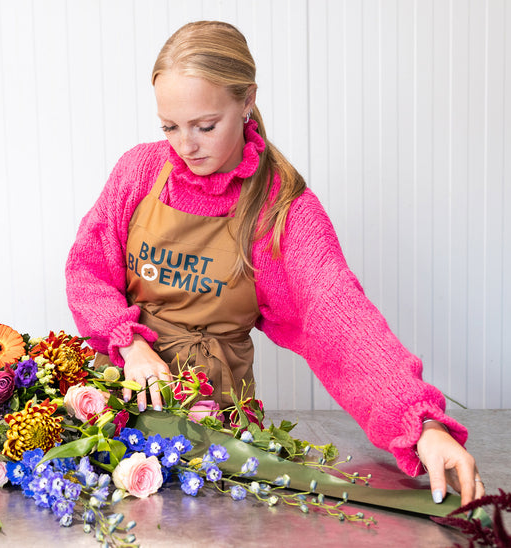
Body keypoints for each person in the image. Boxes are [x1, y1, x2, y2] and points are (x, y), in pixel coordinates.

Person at [65, 20, 484, 505]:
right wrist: (131, 345)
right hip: (115, 410)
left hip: (215, 439)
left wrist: (420, 425)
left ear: (246, 102)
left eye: (205, 126)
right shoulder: (140, 172)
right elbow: (87, 270)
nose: (186, 146)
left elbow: (340, 318)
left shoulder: (281, 211)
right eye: (169, 126)